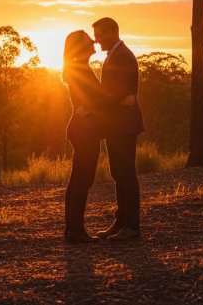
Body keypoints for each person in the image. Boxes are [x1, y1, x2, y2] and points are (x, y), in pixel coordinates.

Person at [92, 17, 144, 241]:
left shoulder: (124, 55)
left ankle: (131, 226)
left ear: (112, 32)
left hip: (124, 124)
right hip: (116, 123)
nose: (97, 40)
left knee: (126, 174)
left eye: (100, 35)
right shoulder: (115, 54)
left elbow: (119, 91)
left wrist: (94, 103)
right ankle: (121, 221)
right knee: (118, 173)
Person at [61, 30, 104, 243]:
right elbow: (91, 99)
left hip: (83, 128)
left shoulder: (78, 68)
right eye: (89, 40)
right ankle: (75, 231)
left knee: (78, 179)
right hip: (85, 129)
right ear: (81, 46)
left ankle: (72, 228)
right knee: (83, 179)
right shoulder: (79, 70)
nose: (94, 41)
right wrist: (94, 110)